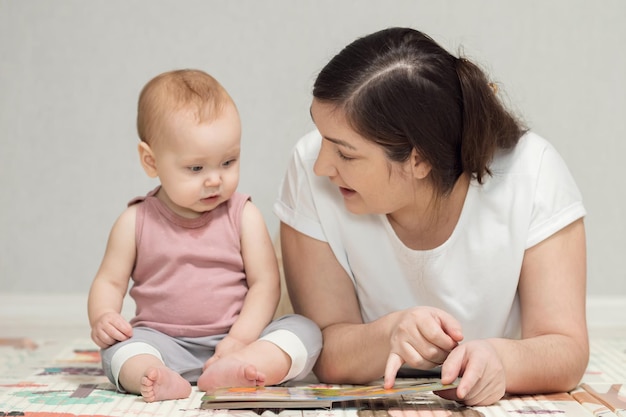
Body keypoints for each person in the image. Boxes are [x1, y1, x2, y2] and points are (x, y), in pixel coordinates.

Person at [275, 27, 588, 406]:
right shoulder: (310, 166)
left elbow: (566, 348)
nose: (322, 165)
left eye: (346, 154)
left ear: (418, 160)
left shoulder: (533, 173)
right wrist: (388, 333)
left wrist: (501, 360)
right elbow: (325, 347)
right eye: (321, 137)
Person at [88, 69, 321, 403]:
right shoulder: (134, 221)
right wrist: (103, 317)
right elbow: (109, 282)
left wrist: (240, 340)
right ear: (150, 160)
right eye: (196, 168)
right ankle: (156, 376)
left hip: (236, 340)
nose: (215, 180)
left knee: (305, 330)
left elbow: (265, 284)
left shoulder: (243, 216)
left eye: (228, 162)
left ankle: (245, 367)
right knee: (119, 351)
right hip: (162, 342)